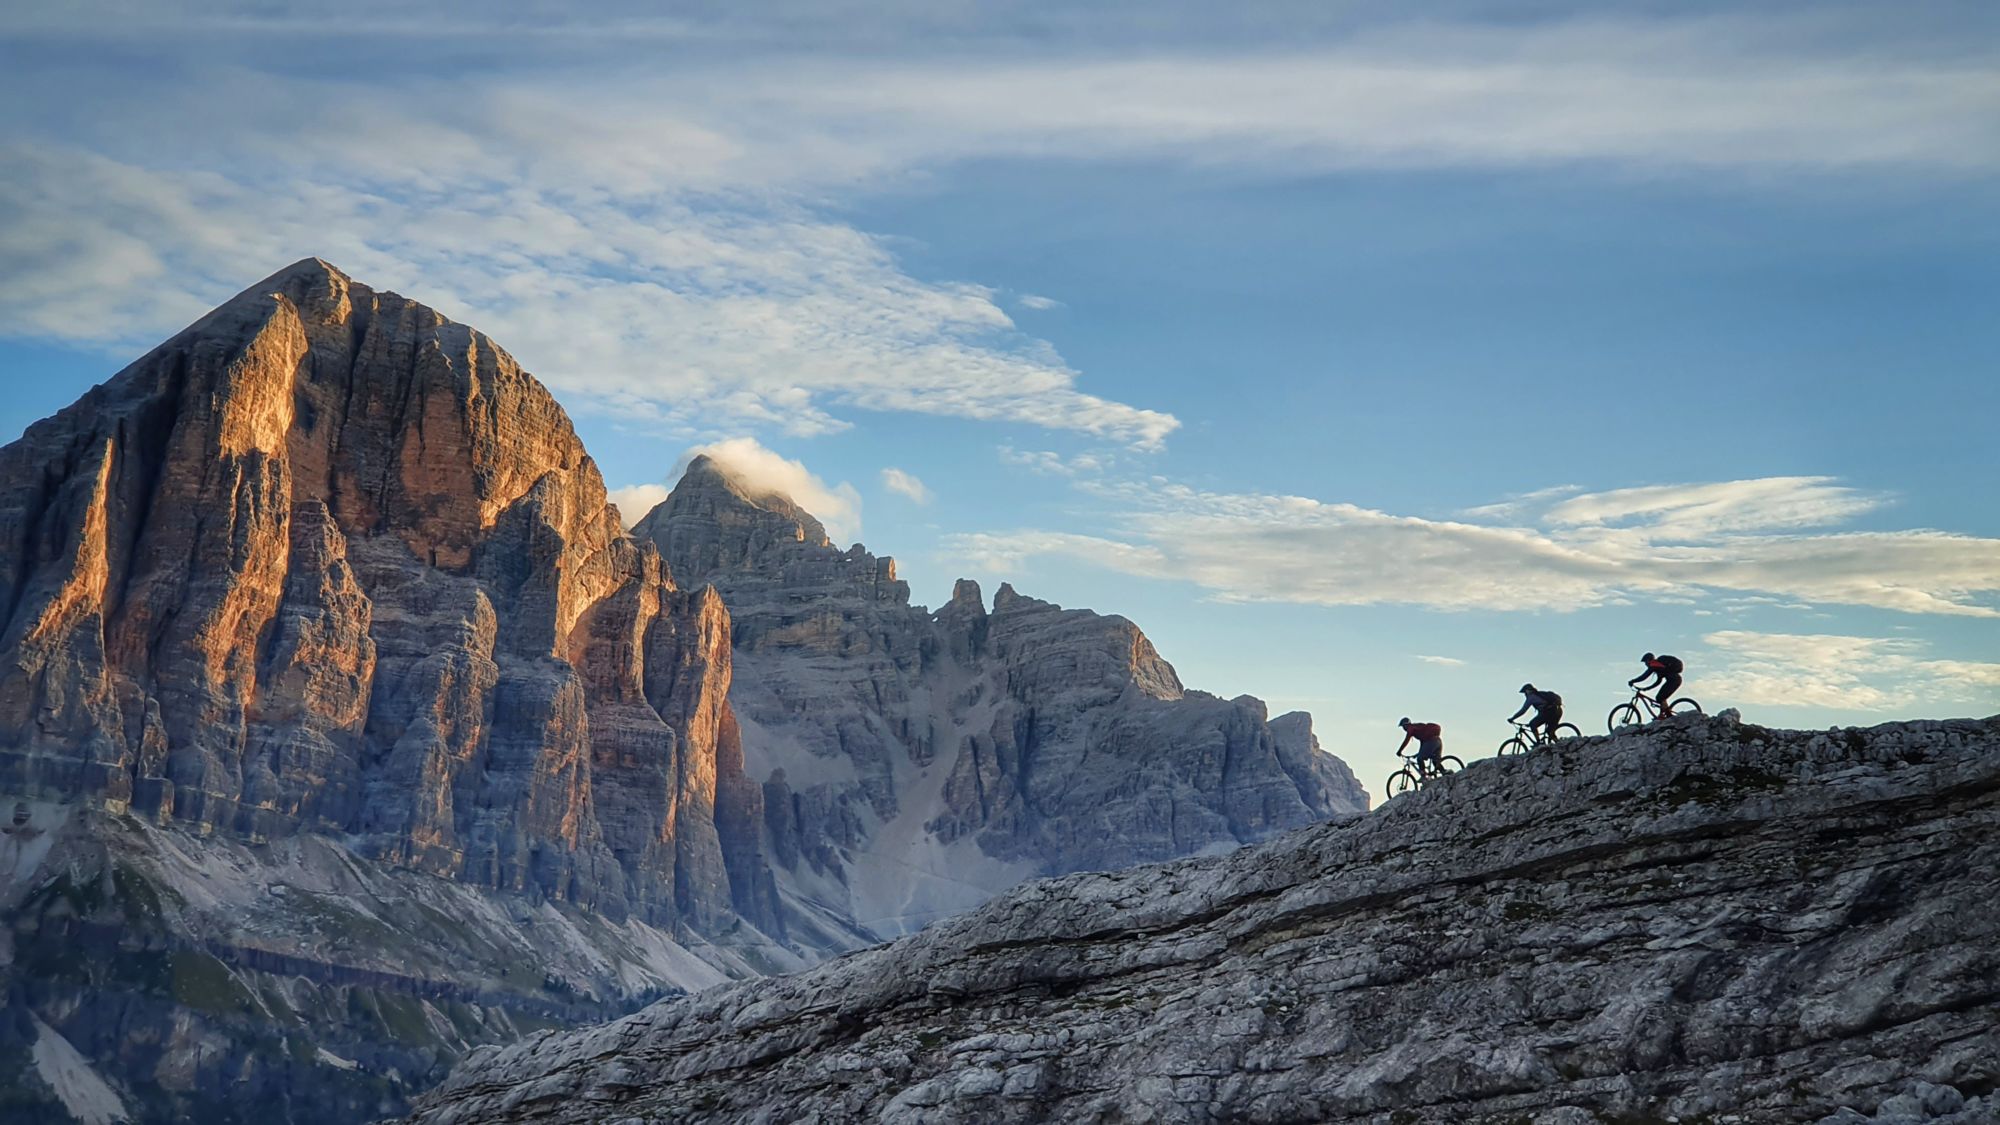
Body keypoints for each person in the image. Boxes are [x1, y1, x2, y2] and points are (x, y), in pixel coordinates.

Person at [1629, 652, 1684, 718]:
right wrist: (1646, 688)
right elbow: (1658, 682)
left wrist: (1633, 681)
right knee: (1660, 697)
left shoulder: (1654, 665)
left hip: (1674, 681)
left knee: (1660, 697)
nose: (1645, 664)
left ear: (1649, 660)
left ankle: (1667, 715)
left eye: (1645, 662)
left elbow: (1644, 676)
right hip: (1675, 680)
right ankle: (1664, 714)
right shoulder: (1658, 666)